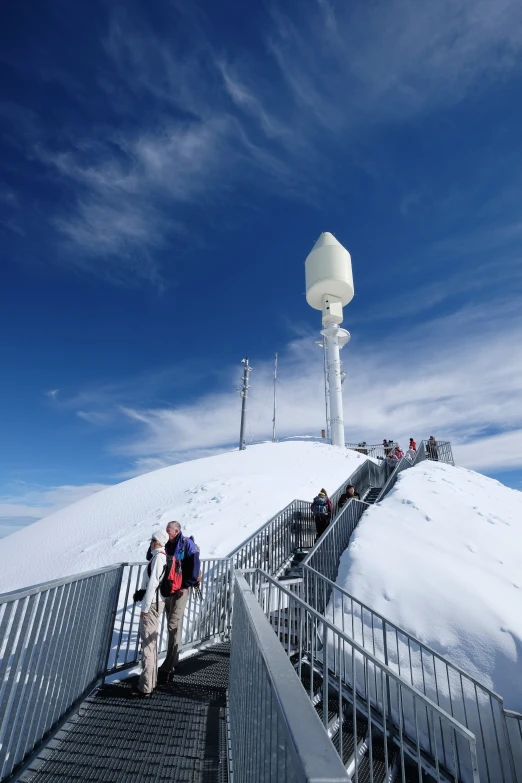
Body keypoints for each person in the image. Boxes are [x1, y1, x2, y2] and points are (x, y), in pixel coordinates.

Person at [145, 521, 201, 684]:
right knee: (173, 625)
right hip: (167, 589)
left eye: (168, 530)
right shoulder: (165, 543)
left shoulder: (187, 544)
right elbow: (150, 557)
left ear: (176, 531)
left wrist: (185, 585)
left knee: (173, 625)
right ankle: (173, 660)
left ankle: (167, 669)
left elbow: (195, 566)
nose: (166, 531)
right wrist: (153, 543)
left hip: (180, 591)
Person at [132, 528, 169, 698]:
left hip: (152, 604)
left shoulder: (159, 558)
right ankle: (149, 682)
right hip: (156, 602)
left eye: (152, 540)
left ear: (158, 541)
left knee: (147, 644)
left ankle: (145, 687)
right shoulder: (160, 557)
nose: (150, 542)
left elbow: (154, 583)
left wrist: (145, 609)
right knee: (151, 644)